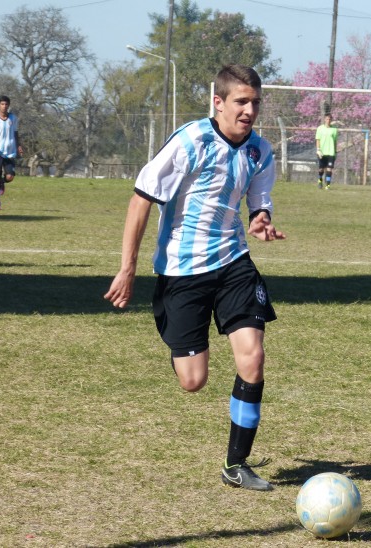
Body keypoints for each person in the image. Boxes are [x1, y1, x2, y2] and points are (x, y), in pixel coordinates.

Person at [104, 65, 286, 491]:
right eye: (241, 101)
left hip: (233, 262)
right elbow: (140, 201)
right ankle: (177, 335)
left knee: (253, 358)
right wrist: (128, 268)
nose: (249, 111)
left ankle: (236, 465)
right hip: (182, 271)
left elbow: (259, 199)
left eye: (255, 102)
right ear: (218, 103)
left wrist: (261, 219)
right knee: (193, 381)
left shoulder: (260, 149)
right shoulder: (191, 142)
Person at [315, 113, 338, 189]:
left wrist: (335, 151)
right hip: (322, 152)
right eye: (327, 119)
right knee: (321, 169)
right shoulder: (320, 128)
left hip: (331, 152)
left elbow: (334, 141)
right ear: (325, 119)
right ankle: (320, 181)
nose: (328, 120)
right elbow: (318, 139)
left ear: (331, 120)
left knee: (329, 169)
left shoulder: (334, 129)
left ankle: (328, 185)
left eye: (330, 119)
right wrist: (318, 149)